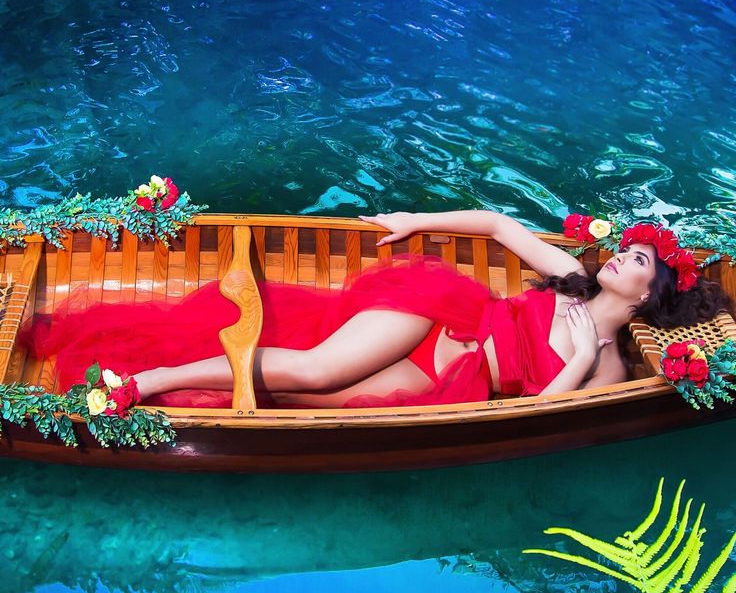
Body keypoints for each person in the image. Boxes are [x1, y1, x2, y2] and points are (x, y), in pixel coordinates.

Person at [17, 209, 733, 412]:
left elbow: (532, 409)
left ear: (648, 296)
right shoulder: (571, 275)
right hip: (444, 314)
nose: (622, 256)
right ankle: (148, 381)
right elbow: (496, 226)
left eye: (638, 260)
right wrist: (415, 219)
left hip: (454, 386)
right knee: (316, 369)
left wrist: (576, 361)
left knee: (306, 400)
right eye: (628, 247)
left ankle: (170, 387)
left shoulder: (604, 368)